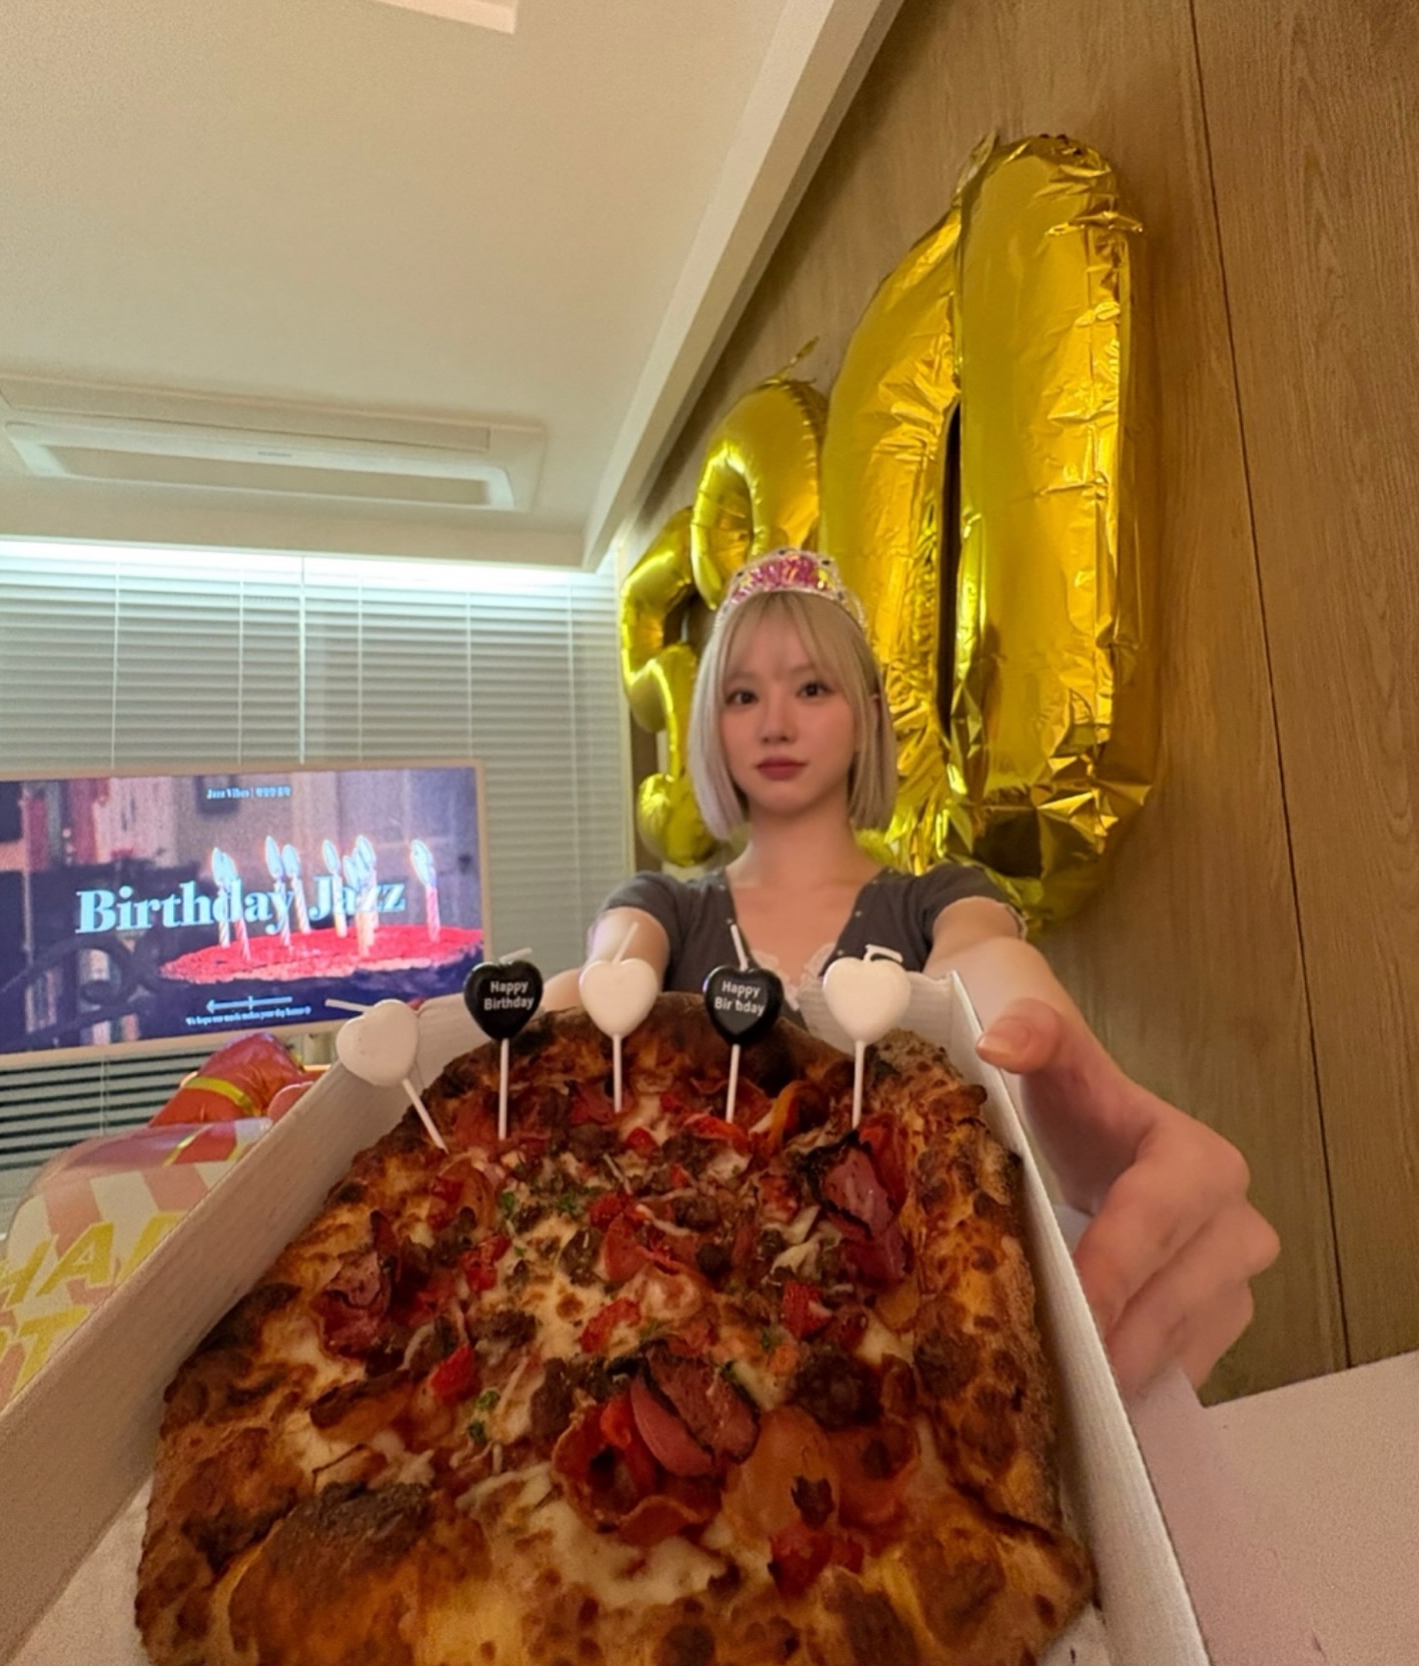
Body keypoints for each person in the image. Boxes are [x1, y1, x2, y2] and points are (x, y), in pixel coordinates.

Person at [546, 547, 1278, 1398]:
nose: (774, 722)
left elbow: (983, 967)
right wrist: (553, 1014)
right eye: (742, 695)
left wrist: (1046, 1052)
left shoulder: (941, 897)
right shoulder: (663, 905)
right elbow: (608, 974)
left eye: (810, 687)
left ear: (867, 715)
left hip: (906, 1340)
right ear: (710, 723)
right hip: (682, 1327)